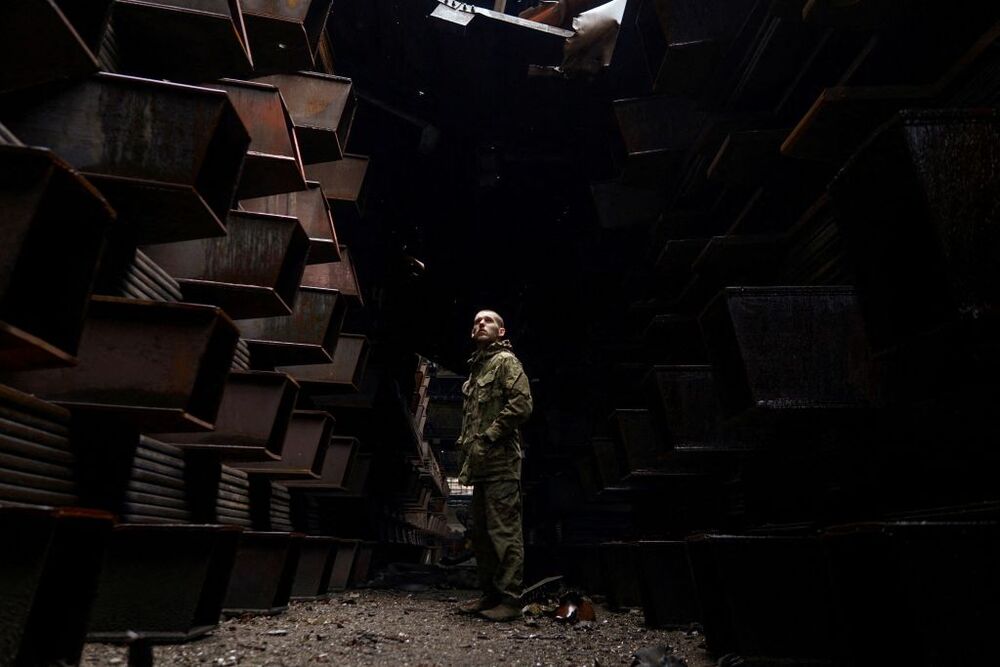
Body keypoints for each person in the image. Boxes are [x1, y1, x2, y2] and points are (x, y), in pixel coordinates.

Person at [456, 309, 533, 621]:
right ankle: (490, 595)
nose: (480, 324)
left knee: (503, 530)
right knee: (482, 531)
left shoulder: (505, 362)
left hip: (501, 461)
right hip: (482, 465)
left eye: (487, 320)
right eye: (475, 321)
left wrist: (489, 437)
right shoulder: (477, 370)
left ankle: (510, 601)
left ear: (501, 331)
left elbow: (522, 404)